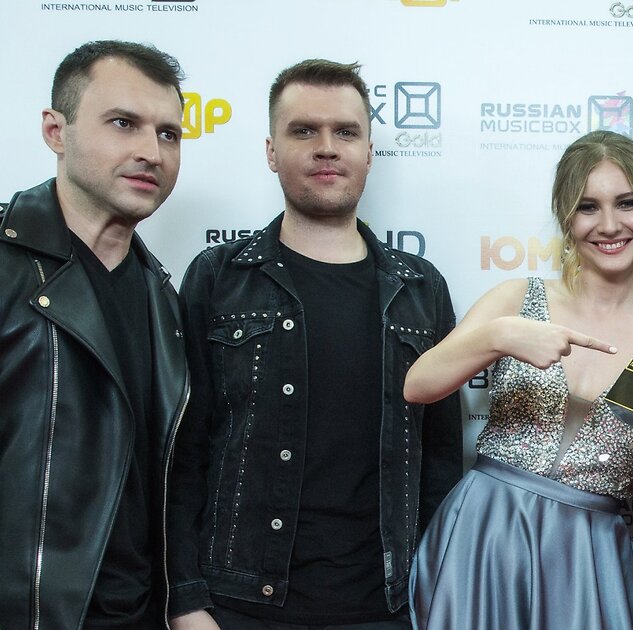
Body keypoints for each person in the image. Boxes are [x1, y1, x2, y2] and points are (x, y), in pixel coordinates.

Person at [166, 59, 462, 630]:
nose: (326, 148)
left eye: (345, 132)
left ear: (369, 152)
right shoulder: (219, 277)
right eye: (304, 131)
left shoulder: (421, 289)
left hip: (387, 608)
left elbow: (441, 463)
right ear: (271, 151)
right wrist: (185, 600)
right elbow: (184, 452)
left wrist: (435, 595)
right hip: (239, 606)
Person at [404, 130, 633, 630]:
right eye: (588, 207)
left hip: (583, 557)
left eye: (627, 203)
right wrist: (500, 337)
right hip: (485, 536)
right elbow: (418, 385)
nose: (610, 224)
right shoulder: (517, 299)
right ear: (566, 218)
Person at [0, 40, 188, 629]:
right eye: (123, 123)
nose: (150, 152)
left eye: (168, 134)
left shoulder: (165, 298)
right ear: (56, 131)